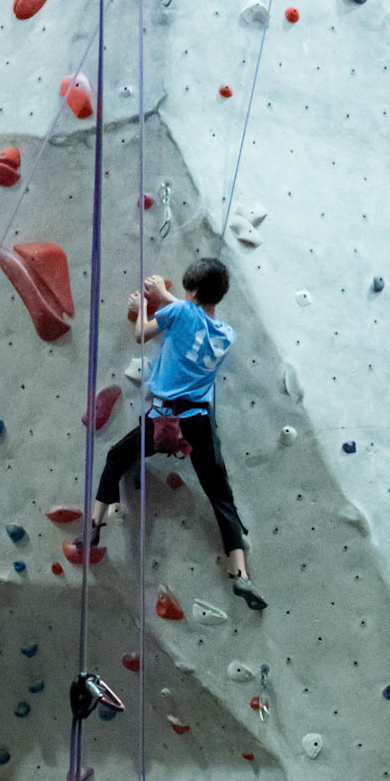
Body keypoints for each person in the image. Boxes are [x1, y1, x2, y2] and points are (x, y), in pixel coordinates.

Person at [89, 257, 266, 611]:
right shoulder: (226, 334)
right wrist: (167, 297)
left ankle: (94, 524)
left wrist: (144, 306)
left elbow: (142, 333)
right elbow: (195, 316)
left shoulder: (180, 311)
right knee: (220, 494)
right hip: (198, 421)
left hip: (164, 418)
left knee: (116, 458)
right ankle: (240, 572)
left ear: (192, 290)